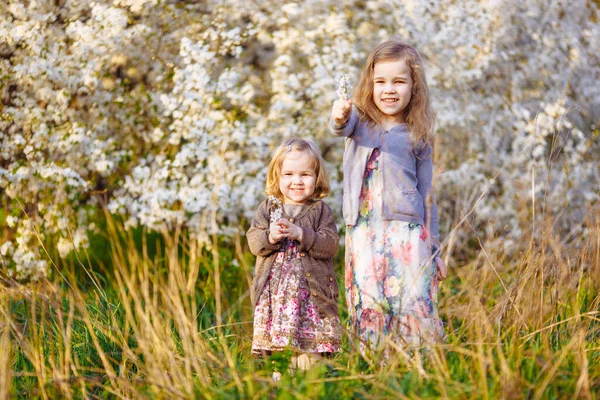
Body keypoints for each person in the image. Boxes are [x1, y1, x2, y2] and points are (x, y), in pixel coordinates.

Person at [330, 39, 447, 354]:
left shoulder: (417, 134)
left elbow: (427, 194)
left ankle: (417, 362)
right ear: (370, 85)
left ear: (414, 87)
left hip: (407, 232)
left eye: (399, 81)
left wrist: (434, 246)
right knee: (369, 297)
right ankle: (374, 362)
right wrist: (340, 114)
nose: (389, 89)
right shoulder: (360, 124)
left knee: (412, 295)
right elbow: (340, 126)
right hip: (364, 231)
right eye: (380, 81)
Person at [247, 138, 341, 378]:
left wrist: (302, 234)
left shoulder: (320, 210)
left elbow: (330, 245)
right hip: (276, 298)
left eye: (305, 175)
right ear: (277, 177)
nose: (297, 181)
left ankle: (310, 381)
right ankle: (280, 380)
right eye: (288, 174)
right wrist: (270, 236)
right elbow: (254, 242)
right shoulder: (269, 208)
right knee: (280, 346)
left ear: (317, 177)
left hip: (311, 297)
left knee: (311, 351)